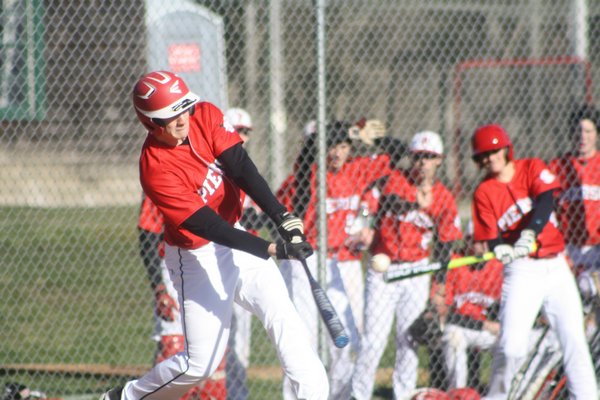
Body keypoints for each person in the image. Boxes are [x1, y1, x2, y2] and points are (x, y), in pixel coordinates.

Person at [100, 70, 328, 399]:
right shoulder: (155, 168)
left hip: (235, 236)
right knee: (199, 365)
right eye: (170, 115)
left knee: (288, 325)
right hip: (195, 257)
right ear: (151, 123)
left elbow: (240, 166)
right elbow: (208, 226)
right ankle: (125, 397)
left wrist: (281, 216)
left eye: (183, 108)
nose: (182, 119)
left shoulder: (204, 114)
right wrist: (271, 249)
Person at [469, 124, 597, 399]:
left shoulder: (531, 167)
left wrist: (530, 232)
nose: (490, 158)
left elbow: (546, 201)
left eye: (495, 151)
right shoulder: (484, 192)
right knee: (511, 347)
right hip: (522, 271)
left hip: (555, 267)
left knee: (574, 340)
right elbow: (490, 238)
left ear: (506, 149)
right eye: (484, 155)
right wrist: (500, 249)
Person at [280, 121, 394, 399]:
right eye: (332, 145)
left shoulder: (357, 169)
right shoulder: (310, 173)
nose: (337, 152)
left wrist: (371, 140)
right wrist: (342, 133)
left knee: (346, 341)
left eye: (343, 145)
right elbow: (306, 157)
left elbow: (396, 152)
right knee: (302, 342)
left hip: (336, 262)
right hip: (304, 259)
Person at [351, 131, 462, 400]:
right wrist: (414, 202)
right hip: (384, 270)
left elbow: (446, 245)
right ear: (411, 158)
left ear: (439, 161)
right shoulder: (394, 180)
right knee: (373, 343)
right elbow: (388, 201)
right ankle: (358, 395)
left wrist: (440, 286)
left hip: (418, 271)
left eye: (429, 157)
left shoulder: (444, 198)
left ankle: (404, 395)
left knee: (408, 341)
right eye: (418, 157)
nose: (423, 162)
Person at [138, 194, 225, 399]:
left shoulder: (220, 173)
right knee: (173, 348)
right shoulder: (163, 175)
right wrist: (159, 288)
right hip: (174, 267)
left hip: (215, 267)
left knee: (215, 357)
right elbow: (147, 235)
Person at [548, 104, 600, 337]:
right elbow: (548, 212)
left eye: (588, 131)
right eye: (578, 131)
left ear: (597, 135)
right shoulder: (558, 167)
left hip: (597, 248)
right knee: (570, 314)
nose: (583, 137)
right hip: (568, 248)